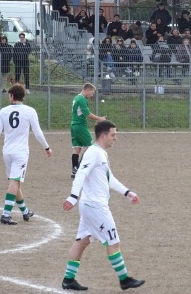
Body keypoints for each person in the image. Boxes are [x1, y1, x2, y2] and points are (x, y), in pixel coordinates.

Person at [61, 120, 145, 291]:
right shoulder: (94, 153)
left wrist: (127, 192)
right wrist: (72, 196)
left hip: (90, 205)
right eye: (113, 135)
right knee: (113, 242)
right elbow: (80, 173)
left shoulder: (100, 153)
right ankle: (124, 279)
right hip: (95, 206)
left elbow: (109, 178)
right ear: (103, 135)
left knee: (82, 241)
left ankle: (68, 280)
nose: (116, 138)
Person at [0, 84, 52, 225]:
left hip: (7, 152)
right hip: (20, 153)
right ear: (23, 97)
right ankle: (6, 215)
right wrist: (47, 147)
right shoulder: (30, 111)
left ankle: (25, 212)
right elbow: (38, 133)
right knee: (15, 182)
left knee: (15, 182)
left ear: (12, 96)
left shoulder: (3, 111)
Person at [70, 83, 106, 179]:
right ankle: (80, 168)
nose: (92, 95)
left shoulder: (76, 98)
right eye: (92, 92)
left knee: (77, 148)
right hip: (80, 126)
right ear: (87, 90)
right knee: (91, 147)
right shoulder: (82, 99)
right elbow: (87, 114)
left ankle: (74, 170)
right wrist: (99, 119)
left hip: (73, 125)